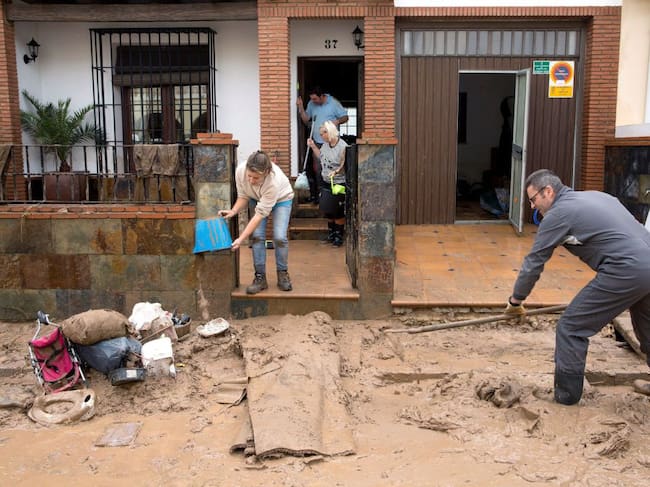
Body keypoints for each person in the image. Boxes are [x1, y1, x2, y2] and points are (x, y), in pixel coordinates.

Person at [505, 169, 650, 404]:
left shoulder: (558, 214)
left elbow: (534, 262)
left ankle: (566, 397)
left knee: (571, 327)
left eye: (533, 199)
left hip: (626, 269)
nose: (532, 206)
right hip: (645, 263)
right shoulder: (598, 196)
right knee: (648, 327)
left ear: (548, 191)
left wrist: (515, 301)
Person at [218, 150, 294, 294]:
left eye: (256, 178)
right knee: (257, 236)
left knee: (279, 237)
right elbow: (243, 196)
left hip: (282, 199)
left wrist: (241, 239)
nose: (251, 181)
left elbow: (259, 216)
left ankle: (282, 274)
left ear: (266, 172)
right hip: (256, 198)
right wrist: (233, 211)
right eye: (249, 176)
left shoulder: (273, 182)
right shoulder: (240, 171)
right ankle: (260, 278)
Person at [296, 86, 348, 204]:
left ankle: (335, 194)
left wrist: (337, 121)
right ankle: (320, 195)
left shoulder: (333, 103)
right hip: (318, 143)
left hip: (332, 143)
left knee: (332, 167)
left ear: (322, 96)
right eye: (311, 99)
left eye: (315, 99)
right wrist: (301, 107)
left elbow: (345, 117)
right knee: (319, 169)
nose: (313, 101)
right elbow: (306, 120)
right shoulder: (311, 104)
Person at [308, 120, 348, 247]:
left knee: (338, 211)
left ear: (330, 132)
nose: (321, 136)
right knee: (328, 210)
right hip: (326, 181)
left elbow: (345, 164)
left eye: (323, 133)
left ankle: (338, 237)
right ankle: (331, 235)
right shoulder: (325, 145)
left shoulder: (342, 146)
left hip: (339, 182)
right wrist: (313, 146)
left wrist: (336, 172)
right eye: (320, 134)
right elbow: (321, 157)